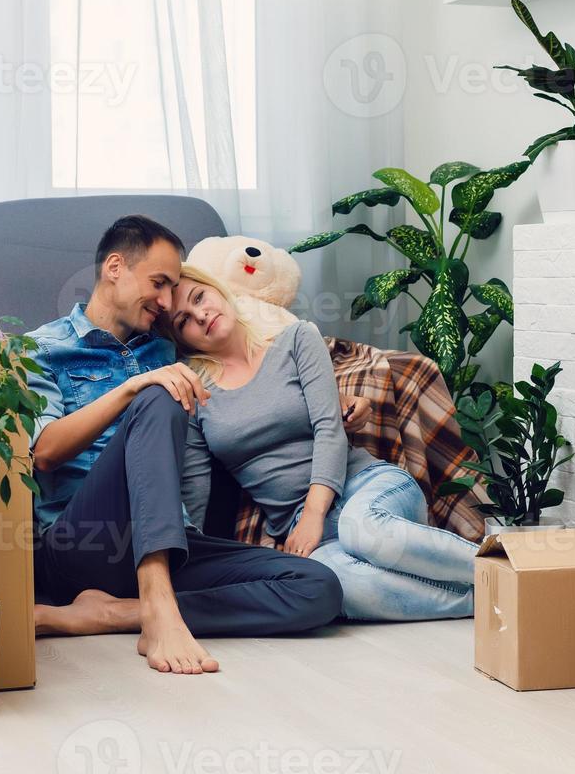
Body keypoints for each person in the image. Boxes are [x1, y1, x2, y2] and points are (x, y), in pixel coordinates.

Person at [25, 215, 370, 675]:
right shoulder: (42, 348)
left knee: (317, 588)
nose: (167, 302)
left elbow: (246, 361)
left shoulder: (168, 349)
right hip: (84, 543)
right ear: (114, 268)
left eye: (175, 291)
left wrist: (332, 395)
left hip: (173, 541)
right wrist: (135, 388)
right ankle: (158, 607)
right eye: (160, 283)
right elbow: (44, 451)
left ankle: (118, 613)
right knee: (158, 396)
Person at [168, 264, 479, 621]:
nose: (200, 314)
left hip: (366, 487)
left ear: (218, 290)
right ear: (181, 340)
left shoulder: (296, 339)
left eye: (199, 297)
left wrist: (314, 514)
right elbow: (195, 487)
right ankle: (485, 601)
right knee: (335, 583)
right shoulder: (195, 391)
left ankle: (509, 566)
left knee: (362, 529)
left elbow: (329, 427)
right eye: (183, 321)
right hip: (301, 529)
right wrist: (187, 563)